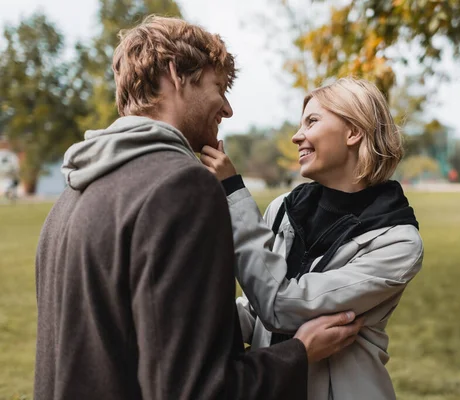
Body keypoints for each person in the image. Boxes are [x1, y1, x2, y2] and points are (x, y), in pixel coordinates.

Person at [34, 16, 363, 400]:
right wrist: (299, 352)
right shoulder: (180, 185)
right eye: (219, 87)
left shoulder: (73, 194)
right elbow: (198, 389)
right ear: (176, 74)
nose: (227, 109)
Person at [200, 78, 424, 400]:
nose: (296, 136)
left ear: (353, 132)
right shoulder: (283, 209)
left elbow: (281, 305)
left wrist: (233, 193)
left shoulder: (397, 243)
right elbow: (255, 311)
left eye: (312, 121)